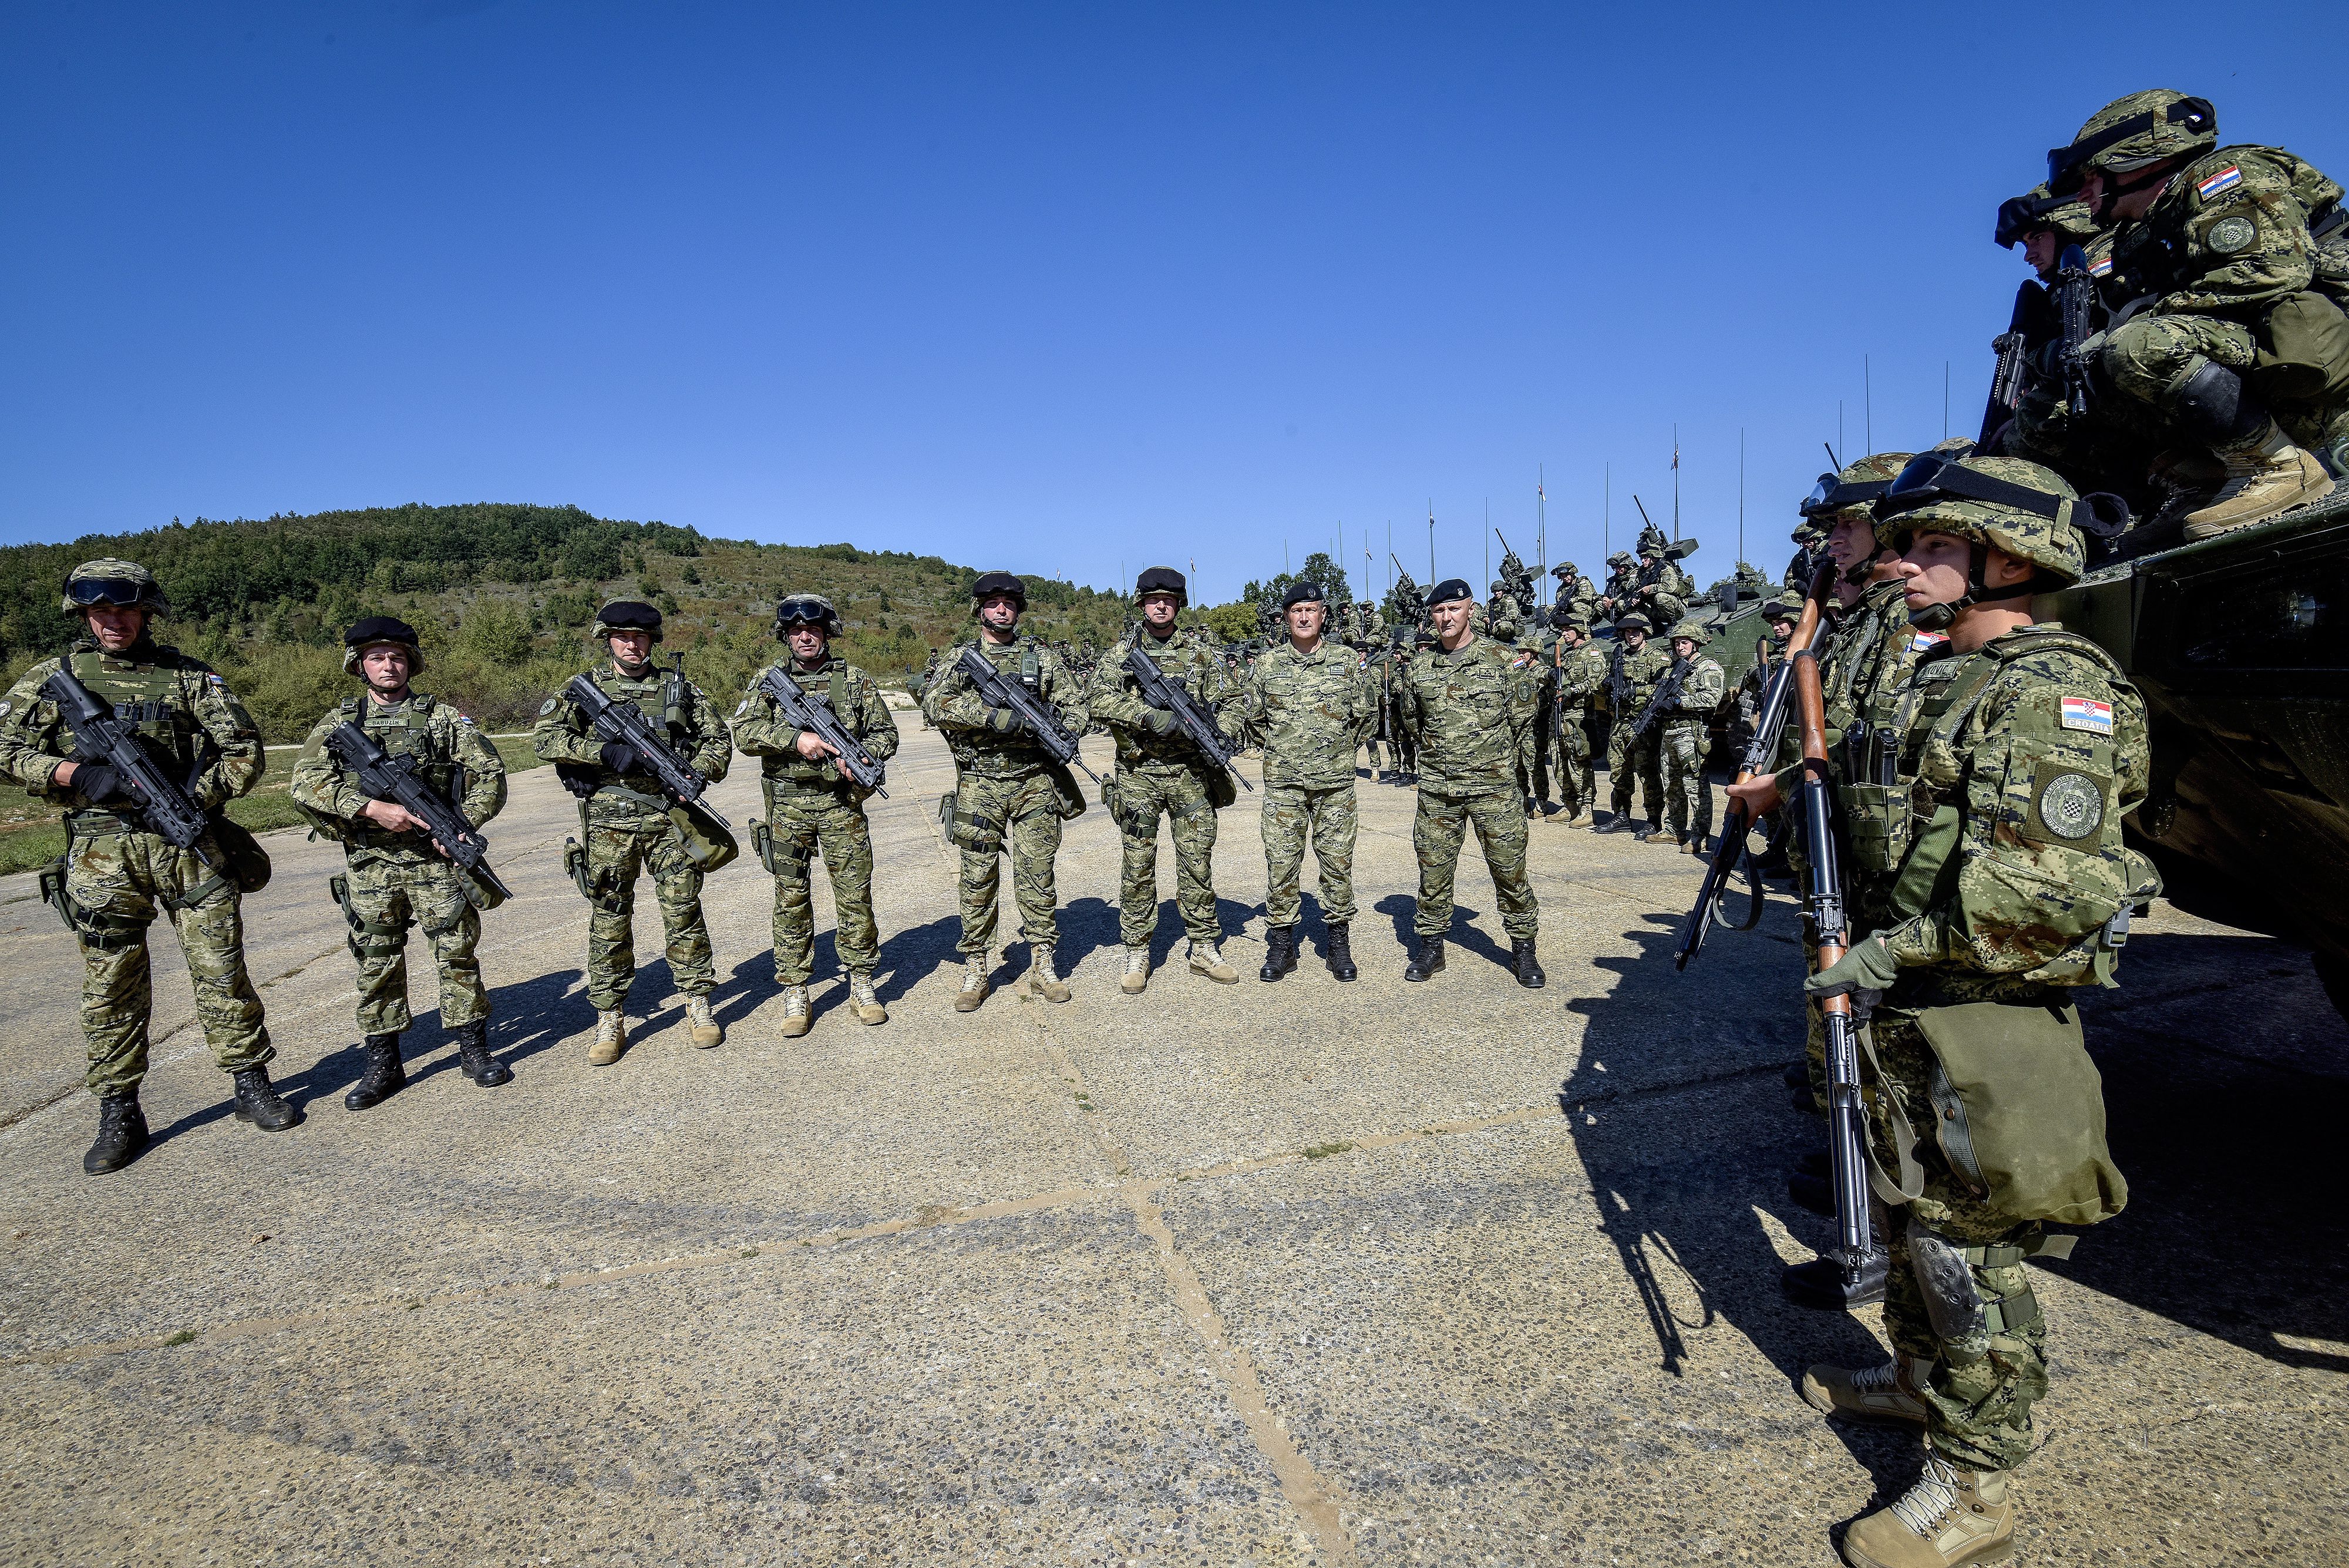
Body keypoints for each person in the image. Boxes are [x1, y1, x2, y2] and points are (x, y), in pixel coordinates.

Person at [1735, 453, 2153, 1568]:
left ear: (2007, 558)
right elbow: (1881, 811)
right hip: (1898, 1005)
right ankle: (1920, 1381)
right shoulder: (1939, 678)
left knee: (1971, 1253)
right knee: (1911, 1216)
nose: (1906, 565)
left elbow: (2047, 899)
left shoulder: (2054, 693)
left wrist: (1879, 954)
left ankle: (1978, 1484)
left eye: (1930, 548)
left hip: (1979, 1013)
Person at [0, 559, 290, 1172]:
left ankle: (250, 1083)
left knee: (222, 971)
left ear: (146, 612)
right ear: (82, 614)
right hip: (103, 853)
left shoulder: (186, 676)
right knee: (111, 986)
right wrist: (76, 774)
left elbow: (244, 752)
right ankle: (119, 1110)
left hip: (186, 845)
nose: (113, 621)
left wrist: (192, 796)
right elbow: (5, 750)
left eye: (125, 610)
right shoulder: (53, 680)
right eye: (100, 611)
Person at [2051, 89, 2347, 534]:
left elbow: (2270, 271)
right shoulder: (2146, 228)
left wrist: (2139, 326)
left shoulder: (2223, 178)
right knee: (2091, 376)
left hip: (2321, 352)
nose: (2083, 193)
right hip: (2272, 353)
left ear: (2136, 159)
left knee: (2140, 345)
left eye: (2089, 177)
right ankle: (2212, 476)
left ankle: (2280, 467)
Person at [288, 616, 511, 1106]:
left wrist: (460, 825)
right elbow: (304, 782)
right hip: (371, 862)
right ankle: (383, 1064)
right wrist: (369, 808)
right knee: (376, 960)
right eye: (377, 657)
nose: (388, 665)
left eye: (397, 657)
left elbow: (491, 774)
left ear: (411, 662)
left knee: (456, 952)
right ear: (359, 665)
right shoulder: (340, 723)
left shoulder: (442, 718)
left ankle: (474, 1051)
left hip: (434, 861)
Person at [532, 601, 732, 1064]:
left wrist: (698, 773)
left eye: (640, 637)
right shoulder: (583, 689)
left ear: (652, 641)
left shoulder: (677, 688)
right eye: (622, 637)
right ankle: (610, 1015)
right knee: (609, 918)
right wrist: (599, 752)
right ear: (608, 640)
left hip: (669, 818)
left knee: (683, 910)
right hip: (608, 824)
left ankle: (698, 1001)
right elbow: (544, 739)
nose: (631, 644)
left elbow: (718, 740)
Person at [731, 593, 900, 1037]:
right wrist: (796, 740)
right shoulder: (769, 682)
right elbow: (744, 733)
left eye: (814, 630)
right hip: (787, 807)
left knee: (854, 896)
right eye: (796, 631)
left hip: (842, 807)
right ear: (786, 636)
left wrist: (861, 759)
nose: (805, 637)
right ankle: (796, 989)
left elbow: (886, 733)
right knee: (790, 898)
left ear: (827, 633)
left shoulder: (855, 680)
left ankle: (862, 982)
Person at [922, 571, 1089, 1010]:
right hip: (979, 784)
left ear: (1018, 609)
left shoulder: (1041, 659)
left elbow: (1077, 708)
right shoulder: (962, 659)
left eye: (1009, 603)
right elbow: (934, 704)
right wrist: (989, 716)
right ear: (979, 609)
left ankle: (1042, 962)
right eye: (993, 603)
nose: (1001, 609)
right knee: (977, 878)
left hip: (1035, 781)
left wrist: (1055, 729)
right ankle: (976, 966)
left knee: (1038, 875)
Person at [1085, 567, 1242, 992]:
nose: (1161, 605)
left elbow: (1233, 701)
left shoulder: (1202, 652)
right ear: (1141, 603)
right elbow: (1093, 701)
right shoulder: (1122, 654)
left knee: (1197, 863)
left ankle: (1204, 945)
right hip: (1138, 776)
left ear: (1179, 605)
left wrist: (1214, 730)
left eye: (1169, 600)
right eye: (1154, 599)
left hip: (1191, 774)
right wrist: (1145, 715)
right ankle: (1137, 949)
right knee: (1138, 865)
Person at [1395, 578, 1543, 987]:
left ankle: (1524, 947)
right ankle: (1431, 946)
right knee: (1433, 873)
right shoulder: (1420, 669)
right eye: (1439, 611)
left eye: (1453, 610)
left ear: (1470, 611)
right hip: (1439, 791)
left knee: (1510, 871)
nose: (1446, 618)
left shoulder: (1503, 660)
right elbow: (1412, 722)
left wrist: (1488, 758)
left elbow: (1521, 716)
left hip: (1493, 790)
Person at [1233, 580, 1379, 981]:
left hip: (1335, 786)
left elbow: (1367, 716)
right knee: (1281, 865)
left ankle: (1338, 944)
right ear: (1286, 617)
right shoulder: (1266, 665)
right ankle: (1282, 945)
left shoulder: (1349, 661)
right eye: (1296, 610)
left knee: (1337, 865)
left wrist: (1337, 753)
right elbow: (1255, 720)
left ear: (1323, 615)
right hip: (1284, 786)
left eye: (1311, 610)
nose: (1303, 617)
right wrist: (1285, 751)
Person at [1596, 612, 1672, 837]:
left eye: (1635, 632)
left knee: (1648, 773)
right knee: (1619, 771)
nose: (1631, 636)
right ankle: (1621, 815)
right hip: (1620, 723)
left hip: (1644, 723)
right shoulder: (1619, 657)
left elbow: (1662, 689)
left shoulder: (1656, 657)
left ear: (1644, 633)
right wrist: (1607, 684)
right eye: (1627, 632)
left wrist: (1635, 690)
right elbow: (1606, 688)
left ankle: (1654, 819)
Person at [1657, 619, 1725, 853]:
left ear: (1695, 643)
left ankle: (1700, 834)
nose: (1680, 647)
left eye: (1684, 642)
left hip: (1692, 732)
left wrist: (1679, 703)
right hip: (1669, 732)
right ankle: (1674, 829)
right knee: (1671, 784)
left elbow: (1712, 698)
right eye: (1676, 643)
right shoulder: (1672, 668)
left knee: (1695, 785)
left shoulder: (1708, 667)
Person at [1547, 616, 1607, 825]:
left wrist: (1572, 690)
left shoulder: (1592, 652)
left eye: (1567, 630)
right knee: (1559, 760)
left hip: (1580, 715)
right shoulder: (1568, 654)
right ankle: (1569, 803)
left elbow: (1596, 683)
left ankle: (1587, 808)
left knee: (1579, 762)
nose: (1564, 634)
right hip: (1562, 714)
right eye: (1563, 630)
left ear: (1579, 631)